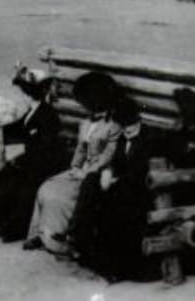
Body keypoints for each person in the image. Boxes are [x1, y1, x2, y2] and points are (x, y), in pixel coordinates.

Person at [24, 72, 121, 255]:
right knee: (47, 186)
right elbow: (81, 149)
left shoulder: (113, 125)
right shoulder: (85, 123)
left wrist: (87, 172)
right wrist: (75, 167)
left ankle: (62, 240)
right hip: (81, 170)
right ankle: (39, 233)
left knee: (60, 197)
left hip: (100, 173)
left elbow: (109, 154)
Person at [72, 95, 151, 280]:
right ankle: (80, 238)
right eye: (124, 127)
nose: (127, 131)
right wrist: (109, 172)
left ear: (138, 120)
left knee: (112, 207)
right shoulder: (124, 137)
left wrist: (116, 180)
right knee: (91, 182)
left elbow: (141, 173)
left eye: (131, 126)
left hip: (139, 190)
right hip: (121, 184)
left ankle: (114, 266)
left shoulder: (147, 138)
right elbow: (117, 162)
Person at [0, 67, 64, 242]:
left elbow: (47, 145)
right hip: (34, 158)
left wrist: (24, 160)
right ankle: (1, 222)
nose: (23, 96)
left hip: (47, 161)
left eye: (25, 93)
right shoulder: (32, 111)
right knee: (7, 175)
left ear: (29, 95)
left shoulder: (48, 114)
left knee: (23, 184)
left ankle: (15, 230)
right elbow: (19, 126)